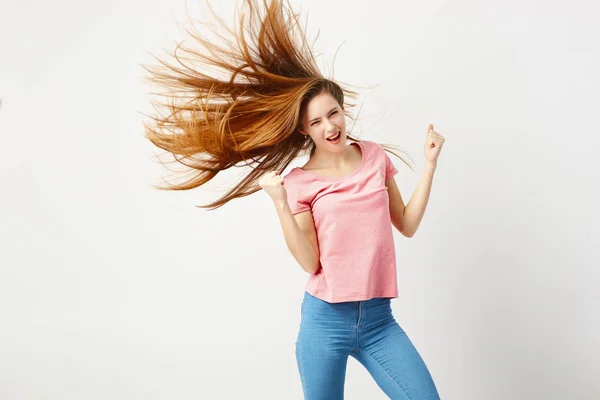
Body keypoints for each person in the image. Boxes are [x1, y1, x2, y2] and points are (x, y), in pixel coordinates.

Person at [143, 0, 445, 398]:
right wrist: (280, 203)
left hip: (378, 321)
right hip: (325, 322)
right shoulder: (300, 183)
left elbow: (405, 223)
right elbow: (310, 261)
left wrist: (429, 165)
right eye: (316, 121)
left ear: (343, 110)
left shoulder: (374, 157)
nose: (329, 126)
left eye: (333, 114)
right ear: (304, 130)